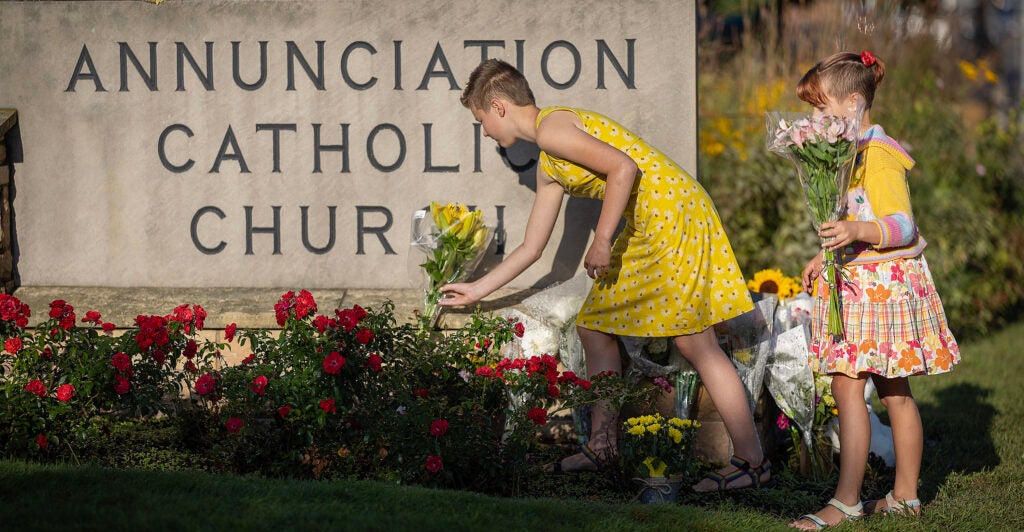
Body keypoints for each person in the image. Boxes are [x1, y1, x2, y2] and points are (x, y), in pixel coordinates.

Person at [441, 58, 770, 491]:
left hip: (670, 214)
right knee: (594, 327)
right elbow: (532, 247)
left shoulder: (553, 128)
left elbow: (624, 168)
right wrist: (475, 289)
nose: (484, 131)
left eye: (480, 119)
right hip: (648, 222)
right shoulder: (549, 161)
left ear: (498, 107)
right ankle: (602, 446)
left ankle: (752, 462)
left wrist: (601, 240)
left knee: (695, 340)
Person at [789, 51, 960, 529]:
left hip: (879, 290)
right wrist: (827, 254)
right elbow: (855, 220)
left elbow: (902, 225)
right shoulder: (851, 154)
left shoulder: (879, 155)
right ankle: (903, 496)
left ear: (854, 102)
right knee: (892, 392)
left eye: (821, 111)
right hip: (865, 285)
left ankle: (846, 501)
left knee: (853, 390)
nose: (814, 121)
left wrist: (858, 231)